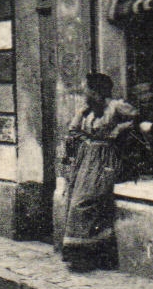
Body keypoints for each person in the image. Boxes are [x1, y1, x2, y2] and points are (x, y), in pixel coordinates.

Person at [58, 71, 138, 272]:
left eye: (87, 89)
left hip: (105, 159)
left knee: (84, 202)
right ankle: (82, 256)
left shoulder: (116, 106)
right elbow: (73, 131)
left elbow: (138, 119)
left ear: (96, 91)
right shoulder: (87, 111)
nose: (84, 93)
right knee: (73, 201)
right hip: (86, 160)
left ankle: (88, 254)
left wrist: (119, 130)